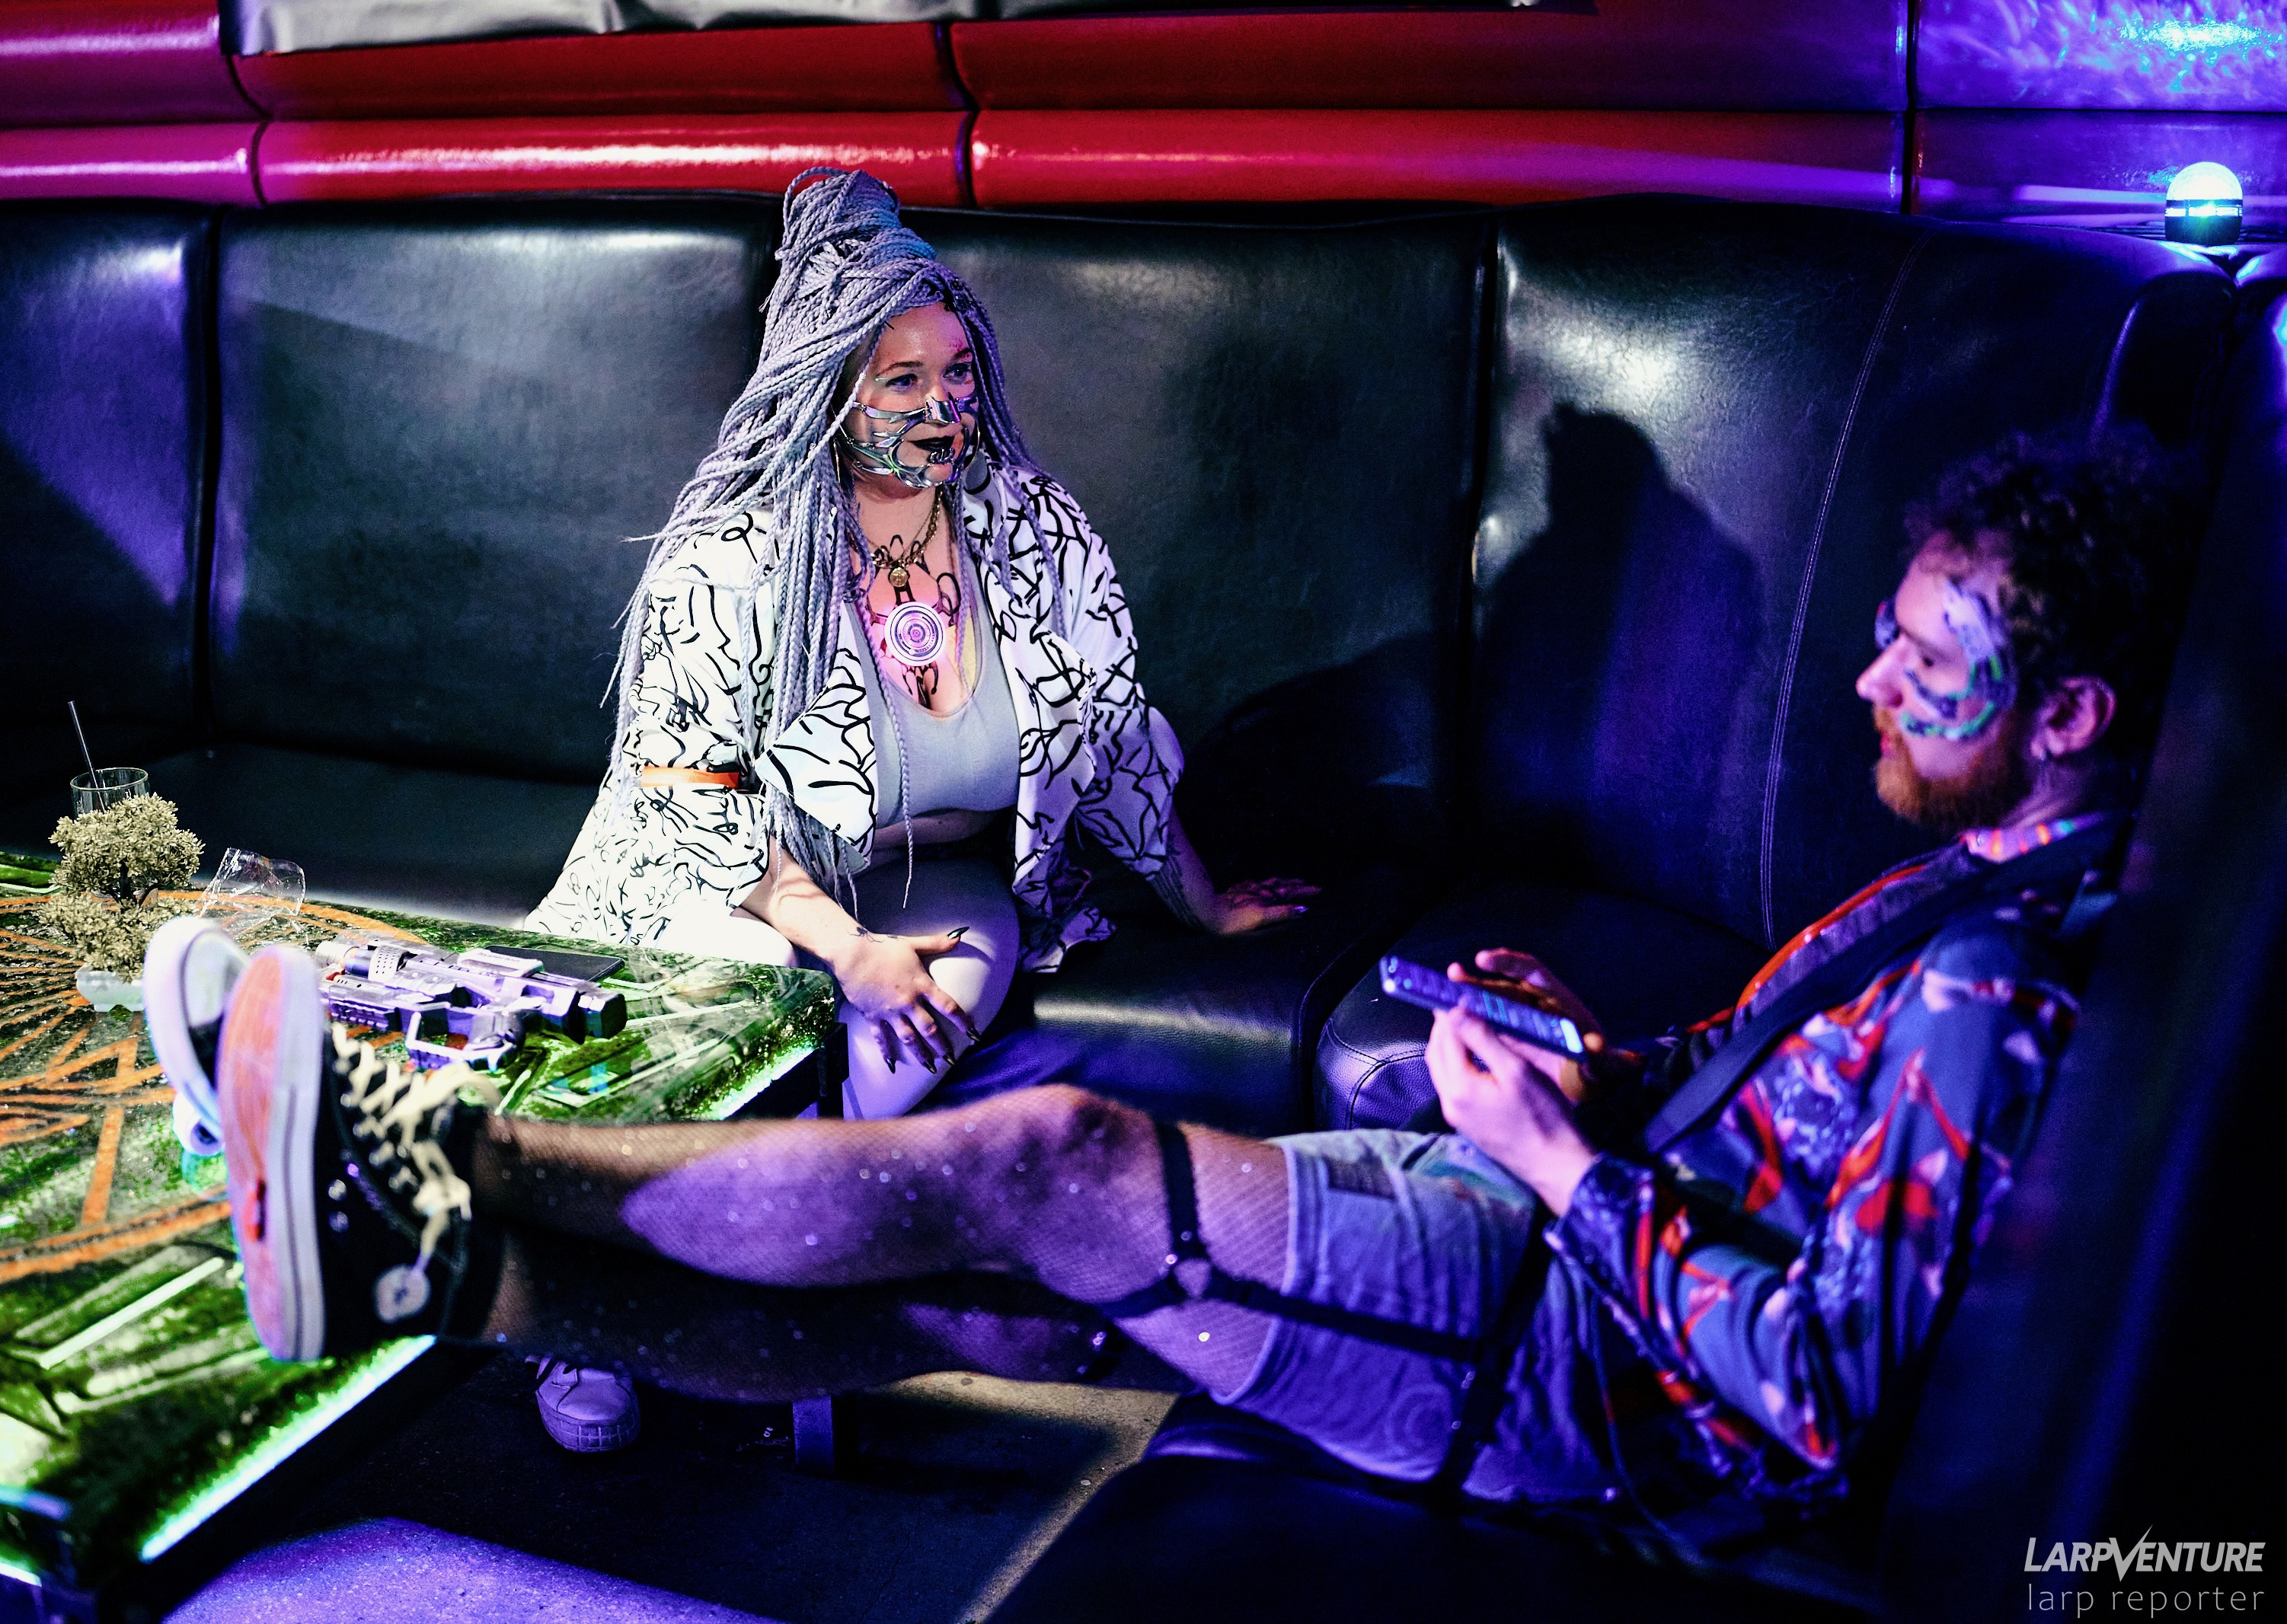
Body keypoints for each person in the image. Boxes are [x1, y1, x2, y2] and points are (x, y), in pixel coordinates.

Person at [179, 432, 2197, 1532]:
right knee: (978, 1301)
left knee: (1045, 1158)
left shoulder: (1999, 993)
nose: (1868, 678)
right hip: (1542, 1224)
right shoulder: (1981, 872)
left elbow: (1819, 1393)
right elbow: (1760, 1108)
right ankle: (439, 1277)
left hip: (1580, 1364)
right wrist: (1586, 1057)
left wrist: (1563, 1164)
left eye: (1929, 662)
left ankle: (435, 1158)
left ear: (2073, 713)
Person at [525, 164, 1308, 1129]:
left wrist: (1204, 906)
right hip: (729, 887)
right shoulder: (733, 558)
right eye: (903, 380)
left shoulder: (1033, 528)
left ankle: (794, 1186)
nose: (945, 407)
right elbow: (690, 801)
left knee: (927, 1017)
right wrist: (848, 950)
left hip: (926, 885)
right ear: (826, 395)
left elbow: (1105, 734)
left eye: (959, 372)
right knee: (757, 985)